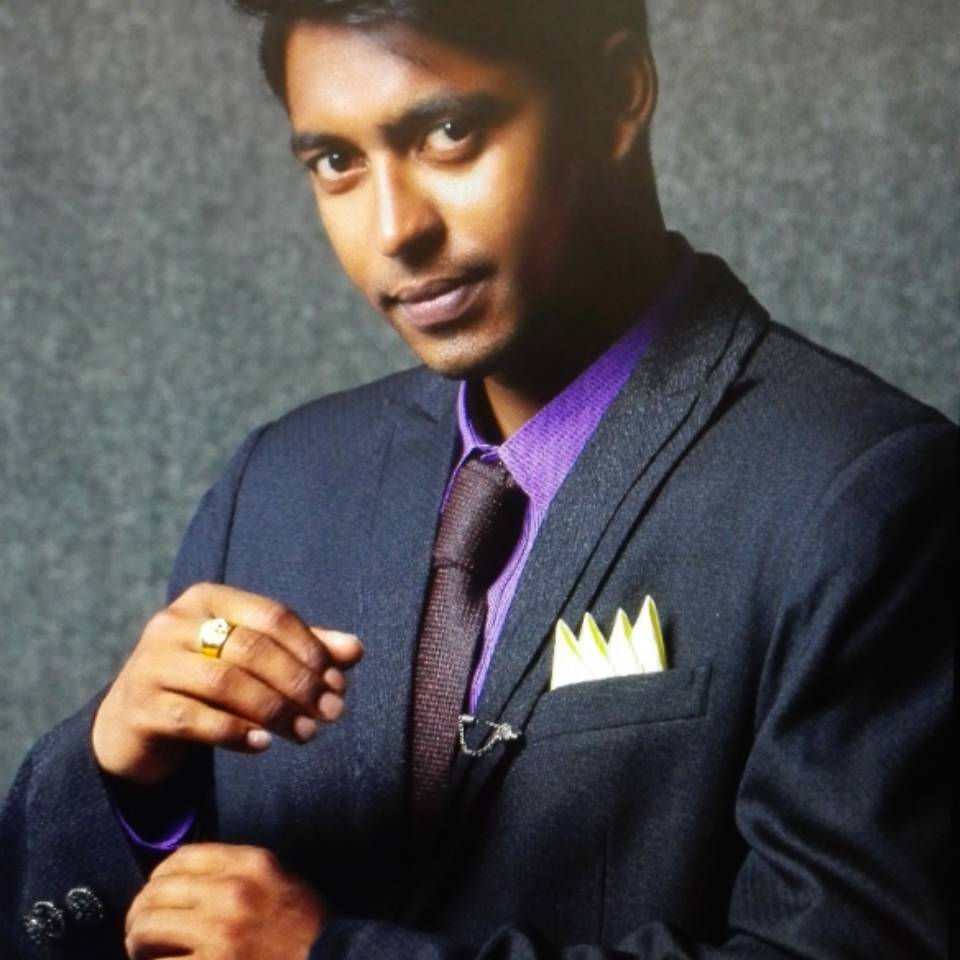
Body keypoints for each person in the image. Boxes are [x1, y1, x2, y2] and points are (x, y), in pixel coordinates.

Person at [1, 2, 954, 958]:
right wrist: (122, 781)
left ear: (620, 95)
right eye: (336, 160)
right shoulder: (278, 485)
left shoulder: (866, 491)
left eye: (450, 132)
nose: (395, 229)